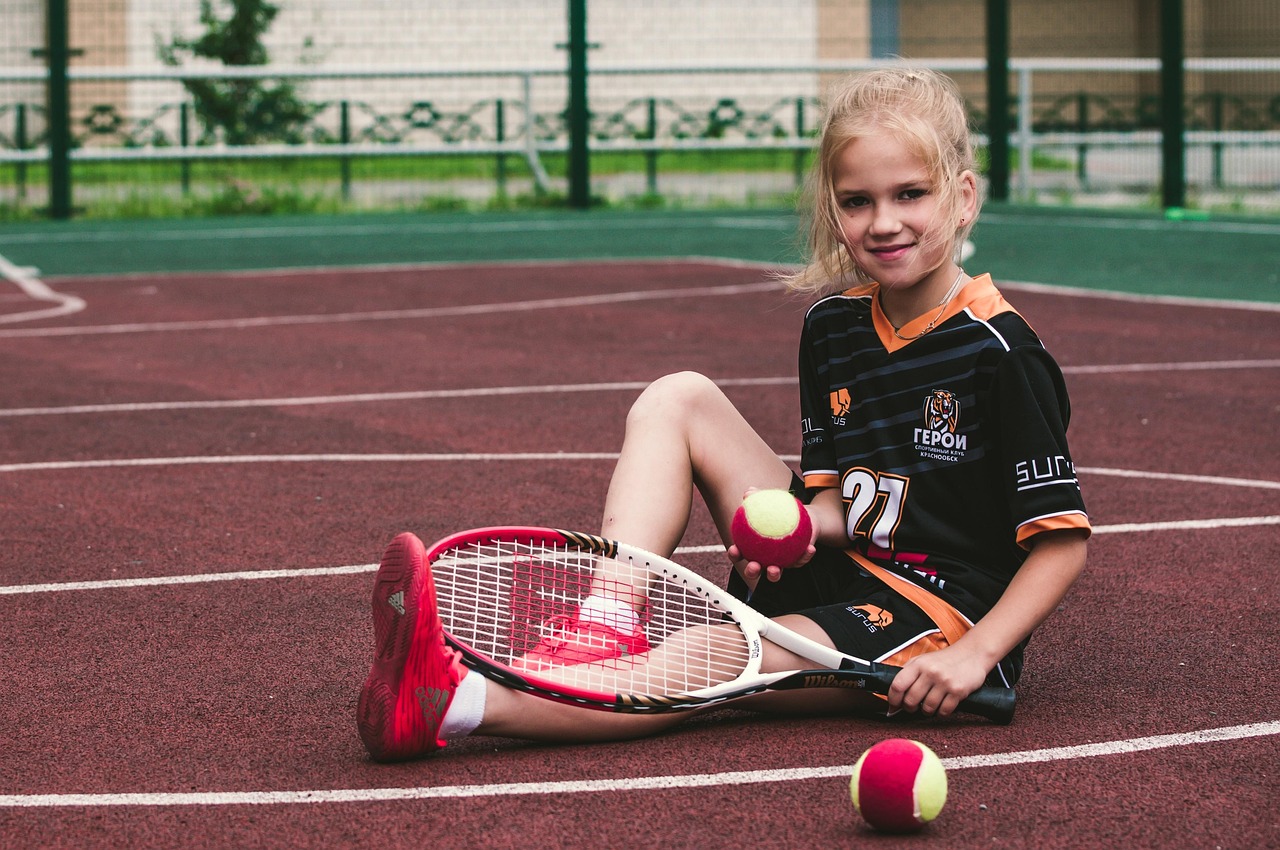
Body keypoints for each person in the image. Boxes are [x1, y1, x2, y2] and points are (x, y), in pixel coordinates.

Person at [356, 67, 1091, 761]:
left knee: (714, 653)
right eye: (857, 201)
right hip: (850, 565)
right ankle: (604, 623)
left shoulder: (1001, 352)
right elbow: (841, 503)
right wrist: (794, 528)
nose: (883, 222)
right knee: (681, 396)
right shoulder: (833, 325)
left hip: (933, 619)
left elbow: (1061, 545)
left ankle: (454, 699)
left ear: (963, 198)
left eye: (910, 194)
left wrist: (975, 655)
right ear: (831, 207)